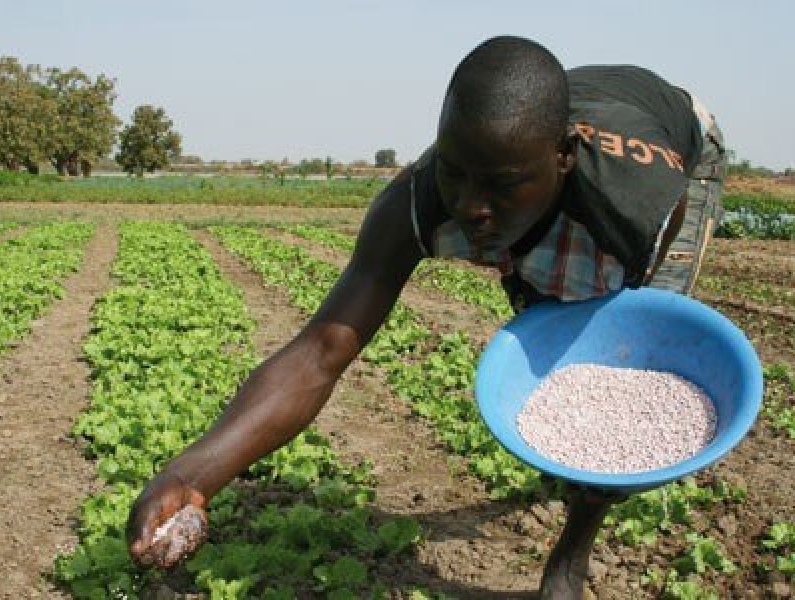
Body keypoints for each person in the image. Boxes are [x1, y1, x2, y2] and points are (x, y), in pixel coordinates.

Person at [127, 36, 726, 597]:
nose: (470, 206)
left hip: (679, 139)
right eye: (455, 171)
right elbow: (321, 351)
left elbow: (627, 352)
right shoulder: (418, 199)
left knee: (594, 363)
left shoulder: (635, 206)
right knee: (537, 284)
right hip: (562, 140)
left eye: (500, 185)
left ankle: (573, 547)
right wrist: (195, 470)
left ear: (565, 156)